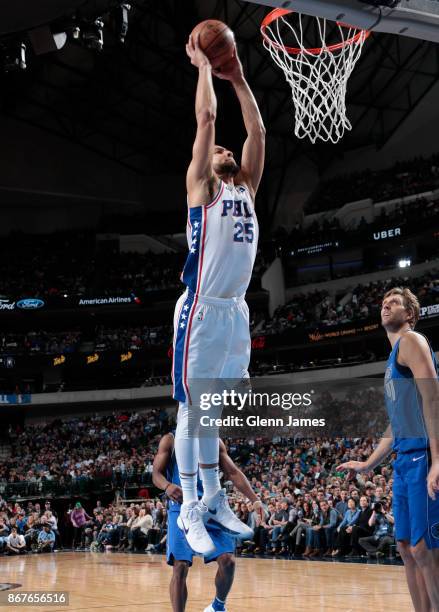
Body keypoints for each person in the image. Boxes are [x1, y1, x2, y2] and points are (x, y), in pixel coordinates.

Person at [171, 29, 265, 556]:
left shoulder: (245, 187)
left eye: (230, 150)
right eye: (219, 150)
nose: (226, 148)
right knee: (191, 413)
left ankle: (211, 495)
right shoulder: (201, 187)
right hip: (202, 311)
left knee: (213, 413)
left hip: (235, 314)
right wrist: (205, 67)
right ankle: (189, 505)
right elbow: (207, 121)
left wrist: (241, 79)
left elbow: (257, 128)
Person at [339, 287, 439, 610]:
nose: (386, 304)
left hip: (423, 455)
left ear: (409, 314)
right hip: (403, 461)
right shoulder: (392, 360)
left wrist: (437, 460)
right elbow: (396, 424)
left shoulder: (412, 341)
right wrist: (368, 464)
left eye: (394, 302)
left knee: (425, 549)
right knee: (407, 548)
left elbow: (433, 398)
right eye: (384, 301)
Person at [153, 432, 264, 612]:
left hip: (211, 507)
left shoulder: (213, 440)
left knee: (228, 561)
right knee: (180, 567)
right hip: (182, 508)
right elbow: (156, 474)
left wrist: (254, 499)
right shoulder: (171, 439)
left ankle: (218, 606)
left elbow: (233, 472)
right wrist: (167, 485)